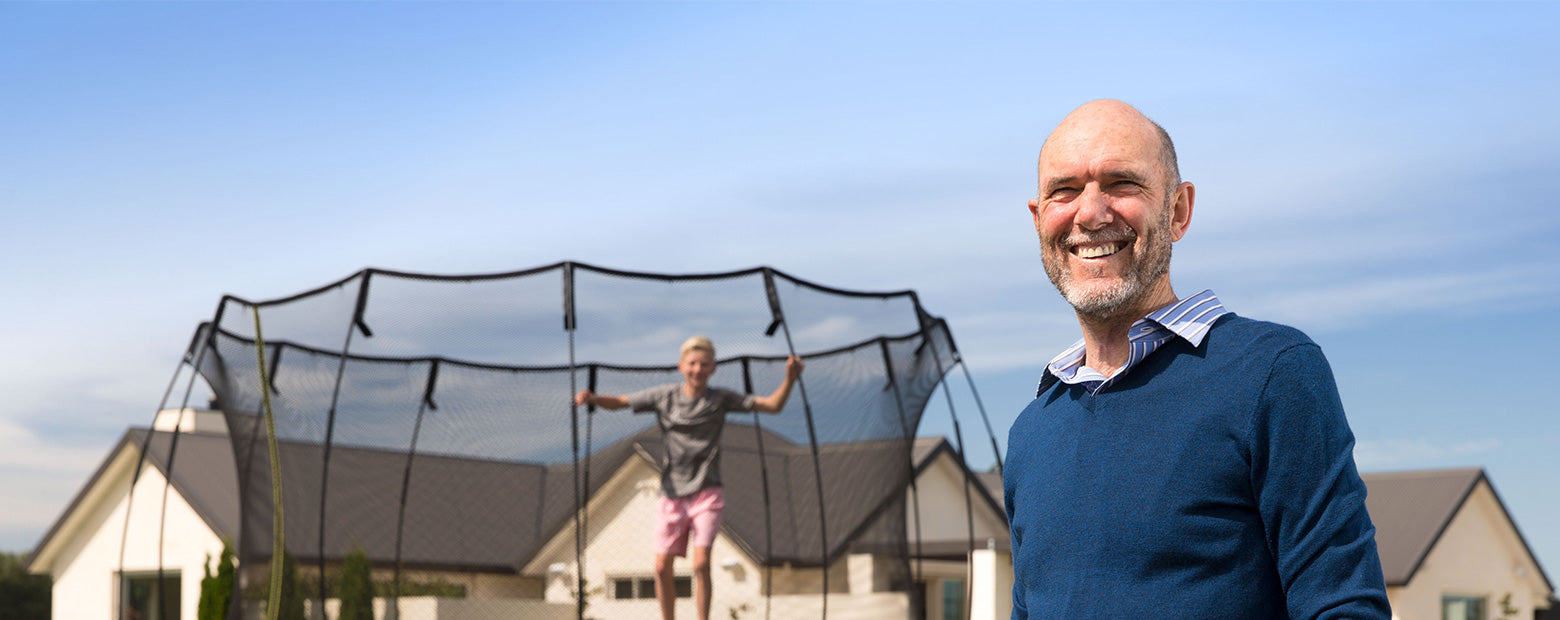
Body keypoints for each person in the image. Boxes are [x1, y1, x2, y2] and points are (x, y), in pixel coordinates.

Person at [1003, 99, 1391, 619]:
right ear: (1038, 219)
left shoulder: (1271, 372)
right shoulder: (1033, 430)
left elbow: (1343, 607)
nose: (1090, 213)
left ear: (1178, 211)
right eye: (1064, 190)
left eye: (1122, 183)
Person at [575, 336, 803, 620]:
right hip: (671, 494)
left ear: (713, 369)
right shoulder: (664, 396)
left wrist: (790, 378)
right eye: (693, 363)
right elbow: (622, 402)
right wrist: (593, 398)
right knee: (661, 567)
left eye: (704, 364)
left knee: (700, 563)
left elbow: (771, 406)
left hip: (707, 492)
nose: (697, 369)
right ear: (681, 366)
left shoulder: (720, 399)